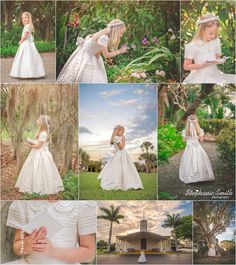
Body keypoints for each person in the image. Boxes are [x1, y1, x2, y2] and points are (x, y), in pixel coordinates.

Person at [4, 201, 96, 264]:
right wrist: (27, 244)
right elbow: (17, 247)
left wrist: (52, 251)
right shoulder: (22, 204)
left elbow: (89, 254)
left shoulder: (82, 205)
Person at [57, 19, 127, 83]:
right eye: (121, 33)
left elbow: (96, 50)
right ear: (116, 30)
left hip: (84, 55)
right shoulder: (104, 38)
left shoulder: (100, 34)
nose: (121, 36)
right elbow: (106, 55)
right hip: (88, 60)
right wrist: (120, 51)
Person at [15, 115, 64, 194]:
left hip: (41, 154)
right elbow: (38, 143)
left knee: (40, 169)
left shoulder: (43, 133)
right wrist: (31, 141)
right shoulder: (40, 132)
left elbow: (38, 146)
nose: (37, 120)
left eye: (39, 120)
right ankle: (32, 186)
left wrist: (29, 145)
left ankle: (40, 188)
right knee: (32, 169)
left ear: (43, 123)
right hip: (37, 153)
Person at [183, 13, 235, 83]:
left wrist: (220, 60)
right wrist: (202, 65)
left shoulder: (216, 41)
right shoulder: (193, 46)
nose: (213, 36)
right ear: (202, 30)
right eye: (211, 33)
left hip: (215, 74)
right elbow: (186, 66)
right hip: (200, 76)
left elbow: (216, 58)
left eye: (215, 33)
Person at [98, 125, 143, 190]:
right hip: (120, 154)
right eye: (122, 131)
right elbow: (121, 147)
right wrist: (124, 141)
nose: (123, 133)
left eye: (123, 132)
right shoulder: (116, 138)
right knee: (119, 168)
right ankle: (117, 183)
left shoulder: (116, 138)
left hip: (121, 154)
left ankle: (124, 183)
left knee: (124, 168)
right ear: (118, 131)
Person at [179, 114, 215, 184]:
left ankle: (190, 177)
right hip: (197, 147)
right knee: (200, 160)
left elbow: (183, 141)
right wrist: (199, 136)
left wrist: (187, 136)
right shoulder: (199, 130)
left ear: (188, 122)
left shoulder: (185, 131)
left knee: (189, 161)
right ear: (196, 121)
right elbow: (201, 140)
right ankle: (200, 176)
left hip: (189, 148)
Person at [10, 12, 45, 79]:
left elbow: (25, 35)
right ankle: (29, 73)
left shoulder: (27, 26)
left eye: (25, 18)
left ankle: (27, 73)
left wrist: (21, 40)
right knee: (27, 57)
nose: (24, 19)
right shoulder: (29, 26)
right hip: (27, 43)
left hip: (26, 43)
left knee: (26, 57)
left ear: (29, 18)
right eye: (23, 18)